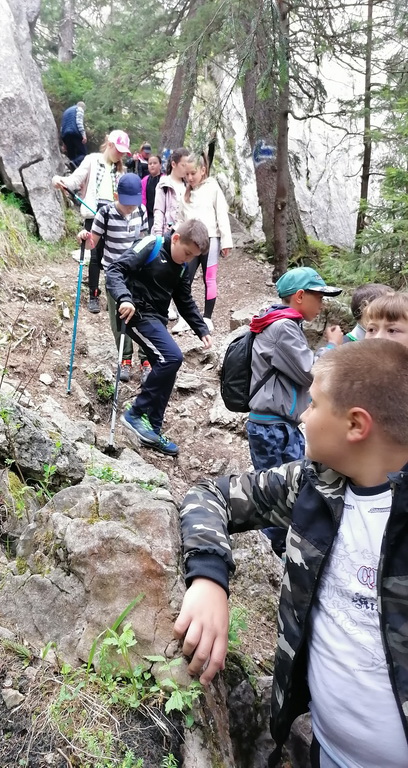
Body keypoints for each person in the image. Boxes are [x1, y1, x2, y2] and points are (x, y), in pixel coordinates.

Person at [175, 339, 408, 768]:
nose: (302, 415)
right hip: (325, 750)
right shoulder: (315, 484)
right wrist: (208, 577)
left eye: (314, 403)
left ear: (356, 424)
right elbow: (212, 494)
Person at [246, 266, 343, 555]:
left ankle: (280, 545)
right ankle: (273, 550)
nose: (322, 304)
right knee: (277, 491)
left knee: (291, 486)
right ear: (300, 296)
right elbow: (310, 372)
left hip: (277, 425)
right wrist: (332, 347)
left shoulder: (282, 322)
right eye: (318, 297)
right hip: (272, 427)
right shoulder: (284, 327)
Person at [106, 220, 211, 457]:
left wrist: (201, 329)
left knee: (167, 369)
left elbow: (184, 299)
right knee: (172, 358)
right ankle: (135, 413)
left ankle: (153, 428)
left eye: (193, 257)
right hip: (135, 314)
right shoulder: (151, 245)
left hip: (157, 319)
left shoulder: (182, 267)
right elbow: (115, 269)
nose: (188, 260)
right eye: (187, 253)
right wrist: (124, 298)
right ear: (176, 239)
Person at [77, 173, 150, 383]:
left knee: (142, 315)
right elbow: (92, 243)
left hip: (137, 273)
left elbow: (144, 241)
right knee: (118, 319)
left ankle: (146, 361)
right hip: (113, 274)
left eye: (133, 203)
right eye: (126, 203)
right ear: (117, 196)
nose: (130, 208)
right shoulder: (105, 213)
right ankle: (124, 359)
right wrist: (84, 237)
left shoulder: (141, 211)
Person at [52, 130, 131, 313]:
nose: (121, 155)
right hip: (93, 213)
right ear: (109, 144)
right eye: (119, 150)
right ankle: (94, 295)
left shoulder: (121, 170)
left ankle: (115, 295)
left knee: (114, 257)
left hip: (113, 214)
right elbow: (74, 180)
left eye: (123, 152)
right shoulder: (92, 160)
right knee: (95, 257)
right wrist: (60, 180)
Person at [172, 151, 233, 334]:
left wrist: (226, 241)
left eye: (193, 173)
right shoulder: (185, 193)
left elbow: (221, 214)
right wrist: (175, 236)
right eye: (187, 174)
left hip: (211, 240)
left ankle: (207, 318)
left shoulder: (213, 188)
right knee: (184, 279)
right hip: (189, 243)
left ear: (203, 170)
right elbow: (180, 218)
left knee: (210, 278)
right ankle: (184, 318)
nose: (190, 178)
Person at [152, 148, 191, 323]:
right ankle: (165, 305)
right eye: (183, 164)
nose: (186, 168)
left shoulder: (189, 185)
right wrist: (158, 234)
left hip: (185, 234)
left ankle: (179, 306)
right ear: (174, 164)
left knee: (180, 271)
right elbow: (159, 210)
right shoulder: (164, 184)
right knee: (165, 269)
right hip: (168, 233)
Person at [60, 101, 88, 168]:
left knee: (71, 155)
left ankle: (71, 168)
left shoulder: (66, 112)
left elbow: (62, 126)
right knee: (83, 154)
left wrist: (64, 142)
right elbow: (79, 122)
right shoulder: (79, 109)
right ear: (83, 107)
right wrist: (84, 135)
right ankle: (75, 163)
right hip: (74, 133)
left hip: (65, 135)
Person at [141, 155, 163, 234]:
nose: (152, 165)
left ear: (160, 165)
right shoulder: (144, 180)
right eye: (150, 164)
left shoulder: (165, 180)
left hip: (161, 216)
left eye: (155, 163)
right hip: (148, 215)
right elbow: (142, 198)